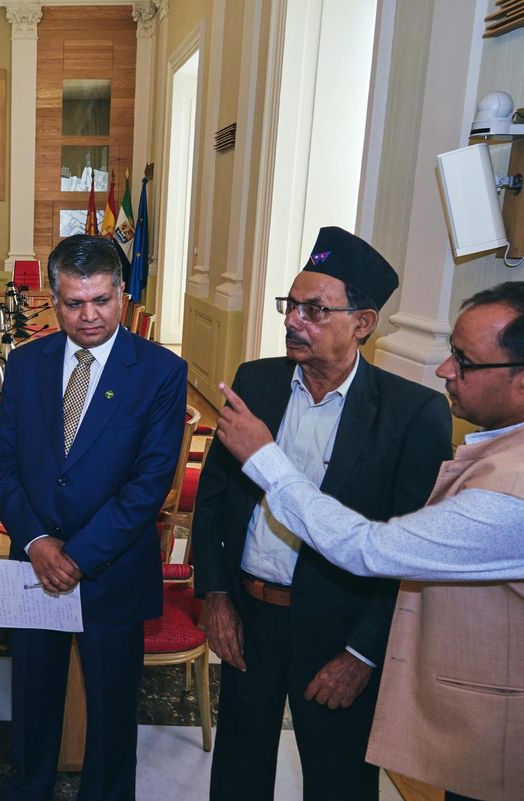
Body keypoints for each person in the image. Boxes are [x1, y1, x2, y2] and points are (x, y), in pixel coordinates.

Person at [212, 280, 524, 801]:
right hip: (262, 619)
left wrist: (266, 461)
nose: (444, 370)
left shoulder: (520, 496)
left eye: (464, 361)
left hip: (508, 734)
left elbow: (369, 548)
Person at [193, 226, 452, 801]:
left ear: (362, 324)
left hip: (338, 633)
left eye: (315, 310)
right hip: (249, 618)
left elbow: (411, 551)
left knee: (339, 781)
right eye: (291, 305)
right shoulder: (256, 382)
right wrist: (215, 595)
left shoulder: (411, 415)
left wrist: (363, 653)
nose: (293, 320)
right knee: (238, 772)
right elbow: (214, 499)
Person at [0, 234, 187, 801]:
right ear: (53, 299)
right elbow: (2, 458)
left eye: (101, 300)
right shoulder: (26, 362)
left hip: (111, 572)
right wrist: (33, 540)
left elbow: (148, 485)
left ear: (122, 294)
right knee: (32, 699)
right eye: (74, 303)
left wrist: (74, 555)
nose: (89, 315)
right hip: (34, 567)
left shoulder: (160, 372)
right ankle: (29, 790)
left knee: (112, 711)